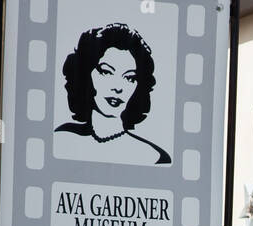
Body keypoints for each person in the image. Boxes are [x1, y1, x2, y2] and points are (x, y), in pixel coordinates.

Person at [54, 22, 171, 163]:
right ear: (85, 73)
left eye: (129, 78)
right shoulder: (60, 139)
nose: (118, 87)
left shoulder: (154, 157)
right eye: (106, 72)